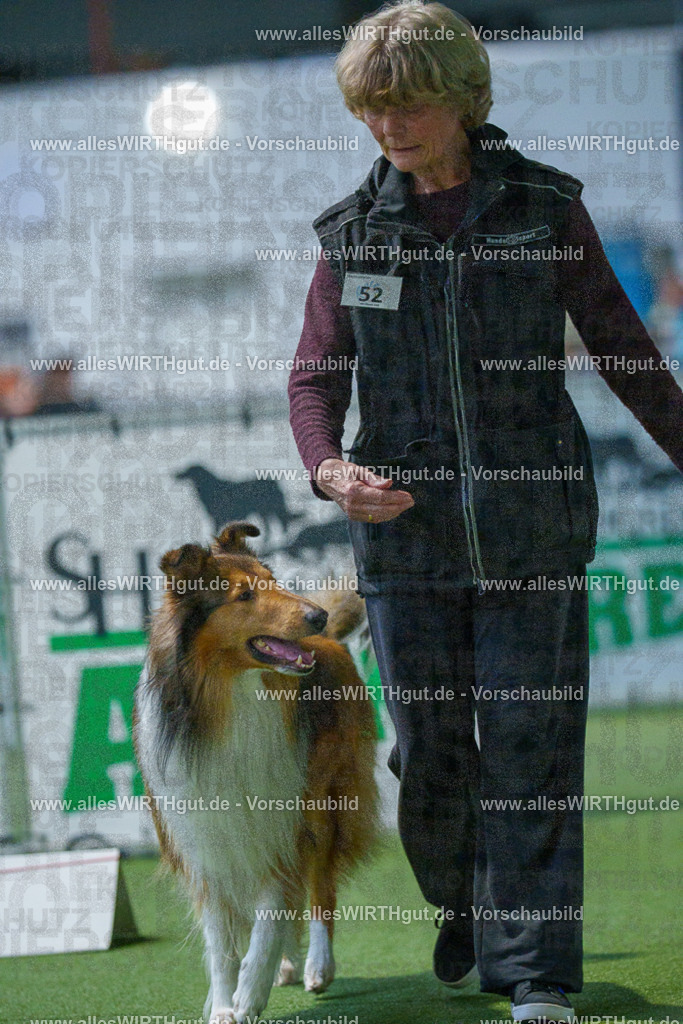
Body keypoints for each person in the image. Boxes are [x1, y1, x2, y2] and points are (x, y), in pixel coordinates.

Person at [287, 3, 683, 1021]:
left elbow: (625, 352)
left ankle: (534, 975)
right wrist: (332, 472)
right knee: (429, 759)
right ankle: (461, 898)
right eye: (371, 108)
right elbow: (313, 382)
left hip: (532, 533)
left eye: (407, 104)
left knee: (529, 750)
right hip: (403, 546)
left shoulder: (543, 210)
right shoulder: (350, 233)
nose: (387, 127)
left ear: (462, 99)